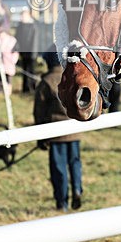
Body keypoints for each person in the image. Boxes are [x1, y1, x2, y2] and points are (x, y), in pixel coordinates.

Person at [35, 48, 83, 212]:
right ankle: (77, 188)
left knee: (59, 168)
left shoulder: (46, 81)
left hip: (55, 133)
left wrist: (40, 136)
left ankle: (62, 201)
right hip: (75, 130)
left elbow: (39, 111)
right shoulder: (73, 77)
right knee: (75, 163)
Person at [15, 9, 41, 93]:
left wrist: (33, 54)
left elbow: (35, 41)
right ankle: (25, 88)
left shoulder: (33, 26)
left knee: (31, 70)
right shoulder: (20, 26)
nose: (22, 18)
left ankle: (33, 88)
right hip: (23, 53)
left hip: (31, 53)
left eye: (24, 16)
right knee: (25, 70)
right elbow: (17, 38)